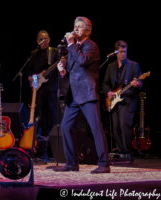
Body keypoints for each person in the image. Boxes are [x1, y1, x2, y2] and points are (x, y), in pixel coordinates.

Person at [55, 16, 110, 173]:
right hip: (74, 95)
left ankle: (104, 164)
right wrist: (63, 71)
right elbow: (74, 70)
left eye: (79, 26)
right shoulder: (74, 48)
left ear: (88, 30)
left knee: (95, 128)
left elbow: (82, 61)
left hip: (87, 93)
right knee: (66, 126)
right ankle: (72, 163)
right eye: (75, 26)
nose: (76, 28)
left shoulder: (92, 46)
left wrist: (72, 44)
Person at [102, 40, 142, 155]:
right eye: (120, 52)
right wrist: (108, 92)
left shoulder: (134, 65)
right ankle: (120, 152)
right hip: (114, 101)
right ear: (116, 52)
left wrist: (137, 84)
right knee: (115, 127)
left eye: (125, 52)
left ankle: (128, 152)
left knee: (125, 126)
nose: (123, 54)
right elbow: (104, 84)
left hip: (128, 101)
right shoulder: (110, 66)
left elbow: (140, 83)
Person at [26, 30, 59, 160]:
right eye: (41, 39)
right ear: (37, 41)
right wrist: (33, 79)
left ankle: (51, 150)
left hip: (51, 89)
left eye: (45, 38)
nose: (43, 41)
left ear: (49, 40)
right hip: (38, 90)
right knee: (38, 117)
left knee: (51, 117)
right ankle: (38, 148)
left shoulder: (55, 52)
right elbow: (29, 72)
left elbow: (59, 68)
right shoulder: (34, 54)